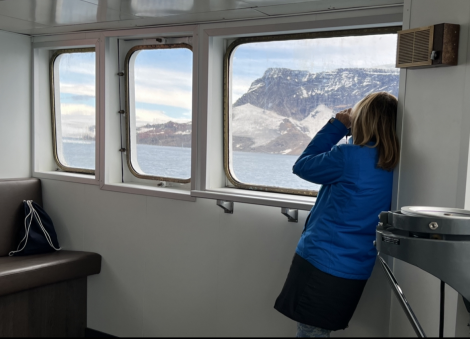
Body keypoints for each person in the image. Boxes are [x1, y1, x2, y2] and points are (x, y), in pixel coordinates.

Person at [274, 92, 400, 337]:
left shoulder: (348, 155)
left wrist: (337, 127)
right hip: (357, 266)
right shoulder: (392, 161)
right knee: (319, 331)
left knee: (309, 332)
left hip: (321, 260)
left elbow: (302, 166)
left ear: (363, 121)